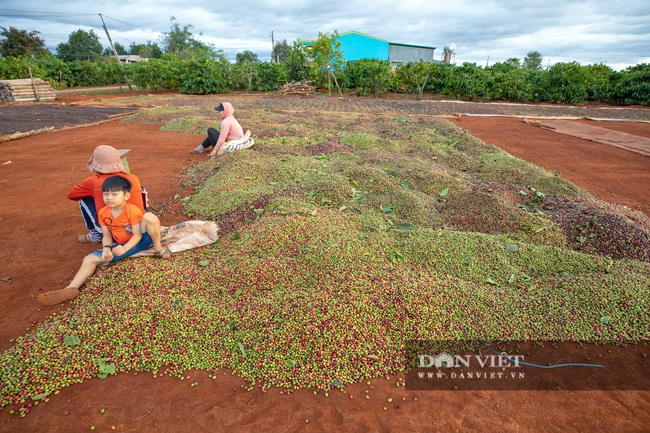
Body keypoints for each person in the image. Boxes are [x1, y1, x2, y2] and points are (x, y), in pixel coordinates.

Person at [36, 176, 170, 306]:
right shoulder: (103, 213)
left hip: (142, 240)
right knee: (88, 259)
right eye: (106, 194)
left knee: (150, 217)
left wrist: (125, 248)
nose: (109, 198)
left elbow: (137, 235)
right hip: (120, 246)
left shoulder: (132, 211)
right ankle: (71, 289)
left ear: (126, 196)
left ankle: (158, 246)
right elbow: (106, 235)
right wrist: (107, 248)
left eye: (114, 194)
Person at [67, 145, 145, 244]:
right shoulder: (133, 177)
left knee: (84, 198)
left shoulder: (93, 181)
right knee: (140, 189)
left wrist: (97, 193)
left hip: (114, 229)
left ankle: (95, 235)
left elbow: (71, 195)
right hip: (139, 224)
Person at [189, 102, 254, 157]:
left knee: (210, 130)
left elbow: (222, 138)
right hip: (234, 142)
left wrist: (215, 150)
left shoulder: (226, 121)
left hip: (229, 145)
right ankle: (200, 148)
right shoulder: (231, 118)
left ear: (226, 111)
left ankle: (202, 149)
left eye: (221, 111)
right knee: (212, 134)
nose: (220, 113)